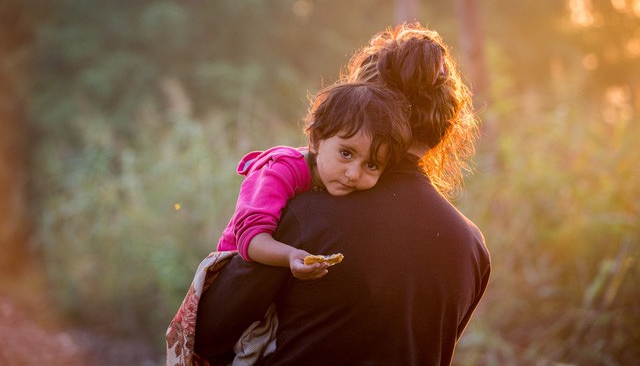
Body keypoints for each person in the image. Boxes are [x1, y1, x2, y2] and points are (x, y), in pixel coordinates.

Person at [193, 22, 491, 365]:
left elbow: (208, 333)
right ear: (444, 126)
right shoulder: (472, 248)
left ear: (365, 108)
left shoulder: (304, 215)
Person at [166, 81, 412, 365]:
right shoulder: (280, 171)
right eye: (346, 153)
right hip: (237, 289)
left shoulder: (340, 184)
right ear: (317, 140)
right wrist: (292, 256)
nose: (353, 173)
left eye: (372, 165)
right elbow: (251, 240)